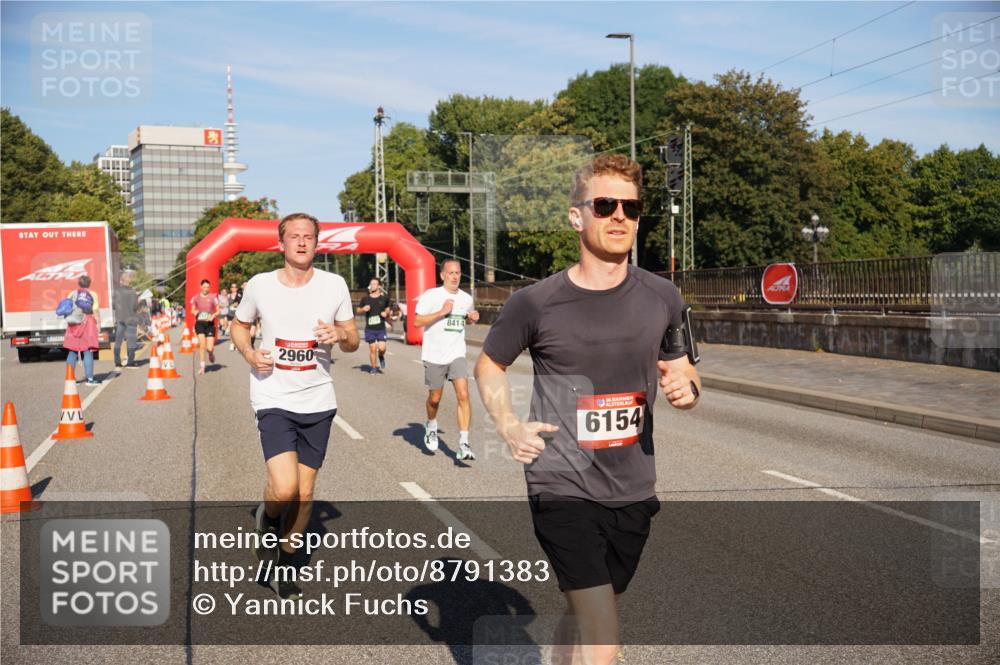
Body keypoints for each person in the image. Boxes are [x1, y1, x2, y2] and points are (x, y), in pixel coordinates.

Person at [474, 154, 702, 665]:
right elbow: (489, 365)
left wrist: (688, 390)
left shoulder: (664, 296)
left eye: (630, 207)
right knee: (603, 636)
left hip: (633, 485)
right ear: (576, 216)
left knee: (590, 608)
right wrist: (509, 425)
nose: (619, 216)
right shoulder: (535, 302)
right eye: (604, 205)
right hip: (561, 482)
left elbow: (684, 370)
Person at [231, 212, 359, 600]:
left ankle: (287, 562)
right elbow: (239, 326)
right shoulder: (260, 285)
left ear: (317, 244)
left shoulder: (334, 285)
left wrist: (340, 335)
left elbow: (352, 340)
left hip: (317, 397)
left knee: (304, 494)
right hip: (273, 394)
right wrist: (249, 354)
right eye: (294, 236)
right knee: (284, 487)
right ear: (281, 243)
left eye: (308, 236)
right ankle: (268, 517)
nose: (302, 242)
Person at [413, 259, 480, 461]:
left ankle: (464, 443)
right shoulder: (431, 295)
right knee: (434, 399)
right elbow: (417, 321)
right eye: (451, 273)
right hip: (434, 355)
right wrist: (441, 312)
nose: (455, 276)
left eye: (457, 273)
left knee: (463, 395)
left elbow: (462, 320)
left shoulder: (466, 298)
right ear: (442, 275)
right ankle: (431, 425)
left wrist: (470, 319)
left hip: (456, 353)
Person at [63, 274, 102, 385]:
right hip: (87, 323)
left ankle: (70, 379)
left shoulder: (72, 294)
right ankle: (90, 379)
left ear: (79, 283)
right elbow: (95, 310)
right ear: (89, 284)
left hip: (73, 324)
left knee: (72, 351)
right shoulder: (92, 294)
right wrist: (99, 324)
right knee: (88, 350)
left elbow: (67, 309)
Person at [356, 277, 391, 374]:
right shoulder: (365, 299)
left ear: (379, 286)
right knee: (373, 349)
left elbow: (388, 308)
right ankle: (374, 367)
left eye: (374, 284)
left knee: (382, 348)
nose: (372, 286)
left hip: (381, 328)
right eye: (371, 284)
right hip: (370, 329)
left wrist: (386, 313)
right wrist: (363, 309)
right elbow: (358, 310)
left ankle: (381, 356)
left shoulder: (384, 298)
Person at [190, 279, 220, 374]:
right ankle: (202, 366)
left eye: (208, 287)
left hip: (210, 324)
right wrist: (195, 312)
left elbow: (218, 311)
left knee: (209, 348)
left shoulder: (213, 297)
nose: (206, 289)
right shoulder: (196, 297)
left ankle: (210, 353)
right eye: (204, 287)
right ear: (201, 287)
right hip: (200, 324)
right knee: (202, 345)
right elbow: (192, 310)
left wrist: (213, 316)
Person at [113, 272, 140, 369]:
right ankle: (130, 362)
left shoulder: (116, 291)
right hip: (130, 319)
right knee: (131, 341)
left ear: (122, 281)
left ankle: (117, 362)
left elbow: (113, 305)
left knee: (118, 341)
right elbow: (135, 307)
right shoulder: (133, 292)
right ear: (129, 281)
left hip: (120, 318)